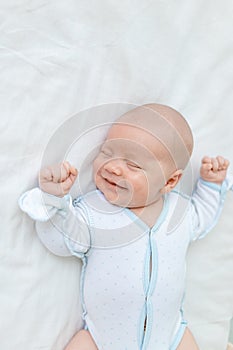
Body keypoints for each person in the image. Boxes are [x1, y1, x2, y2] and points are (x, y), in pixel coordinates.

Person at [19, 103, 231, 350]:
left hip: (171, 336)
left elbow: (203, 215)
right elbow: (62, 242)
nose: (113, 166)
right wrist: (55, 199)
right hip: (102, 339)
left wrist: (212, 184)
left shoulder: (180, 214)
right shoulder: (95, 212)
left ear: (171, 181)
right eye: (107, 153)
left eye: (133, 165)